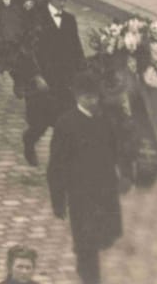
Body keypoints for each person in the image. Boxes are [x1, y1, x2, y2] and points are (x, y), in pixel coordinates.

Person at [48, 72, 125, 284]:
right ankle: (89, 276)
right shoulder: (66, 123)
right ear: (77, 97)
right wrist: (58, 199)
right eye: (87, 97)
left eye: (94, 96)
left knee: (106, 237)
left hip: (105, 190)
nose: (92, 101)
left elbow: (114, 150)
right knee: (86, 242)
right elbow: (56, 165)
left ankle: (93, 270)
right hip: (81, 195)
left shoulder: (104, 120)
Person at [20, 0, 81, 167]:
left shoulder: (70, 21)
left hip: (64, 82)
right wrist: (35, 76)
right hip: (43, 82)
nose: (63, 2)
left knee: (67, 123)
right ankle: (29, 140)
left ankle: (63, 160)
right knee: (40, 123)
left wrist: (82, 74)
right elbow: (26, 51)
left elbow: (76, 50)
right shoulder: (36, 18)